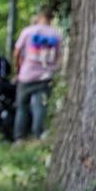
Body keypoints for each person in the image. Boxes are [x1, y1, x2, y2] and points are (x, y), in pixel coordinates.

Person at [11, 8, 64, 140]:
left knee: (22, 107)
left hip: (26, 75)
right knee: (41, 107)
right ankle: (38, 135)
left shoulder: (28, 31)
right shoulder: (56, 35)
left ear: (39, 17)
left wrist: (18, 69)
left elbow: (17, 52)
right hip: (45, 76)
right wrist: (54, 69)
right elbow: (59, 56)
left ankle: (19, 137)